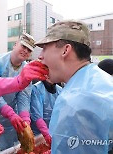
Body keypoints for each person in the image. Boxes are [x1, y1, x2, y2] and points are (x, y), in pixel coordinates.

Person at [35, 20, 113, 153]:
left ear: (65, 50)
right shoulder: (100, 80)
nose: (40, 56)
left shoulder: (75, 101)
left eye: (45, 48)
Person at [30, 80, 62, 147]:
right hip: (38, 135)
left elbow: (62, 114)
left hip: (54, 133)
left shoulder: (60, 90)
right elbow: (37, 116)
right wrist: (46, 134)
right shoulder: (36, 89)